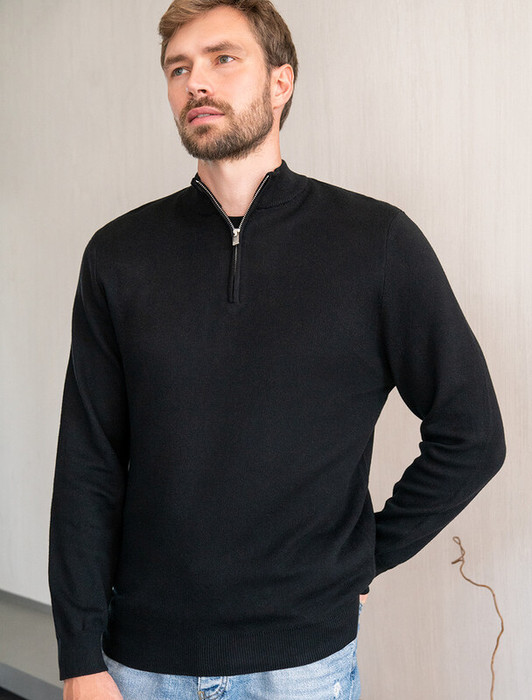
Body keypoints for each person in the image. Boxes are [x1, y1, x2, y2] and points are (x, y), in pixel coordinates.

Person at [48, 1, 506, 698]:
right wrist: (79, 656)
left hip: (301, 667)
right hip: (138, 662)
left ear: (281, 82)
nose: (197, 82)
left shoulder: (375, 244)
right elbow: (88, 464)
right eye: (178, 68)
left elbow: (472, 434)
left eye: (223, 58)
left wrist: (363, 557)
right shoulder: (119, 255)